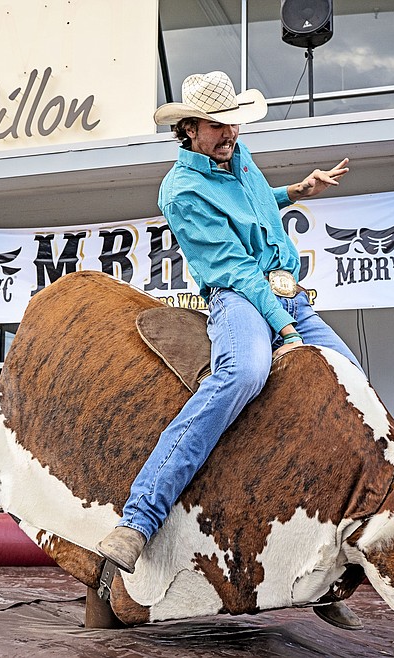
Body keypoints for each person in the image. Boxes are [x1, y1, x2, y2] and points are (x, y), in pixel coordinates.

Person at [95, 71, 364, 630]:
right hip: (239, 296)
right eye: (218, 124)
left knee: (348, 376)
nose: (231, 132)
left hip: (288, 291)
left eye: (233, 121)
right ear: (189, 129)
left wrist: (299, 190)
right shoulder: (180, 191)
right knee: (242, 373)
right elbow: (237, 270)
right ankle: (138, 520)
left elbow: (255, 202)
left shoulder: (238, 155)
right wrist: (283, 328)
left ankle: (326, 548)